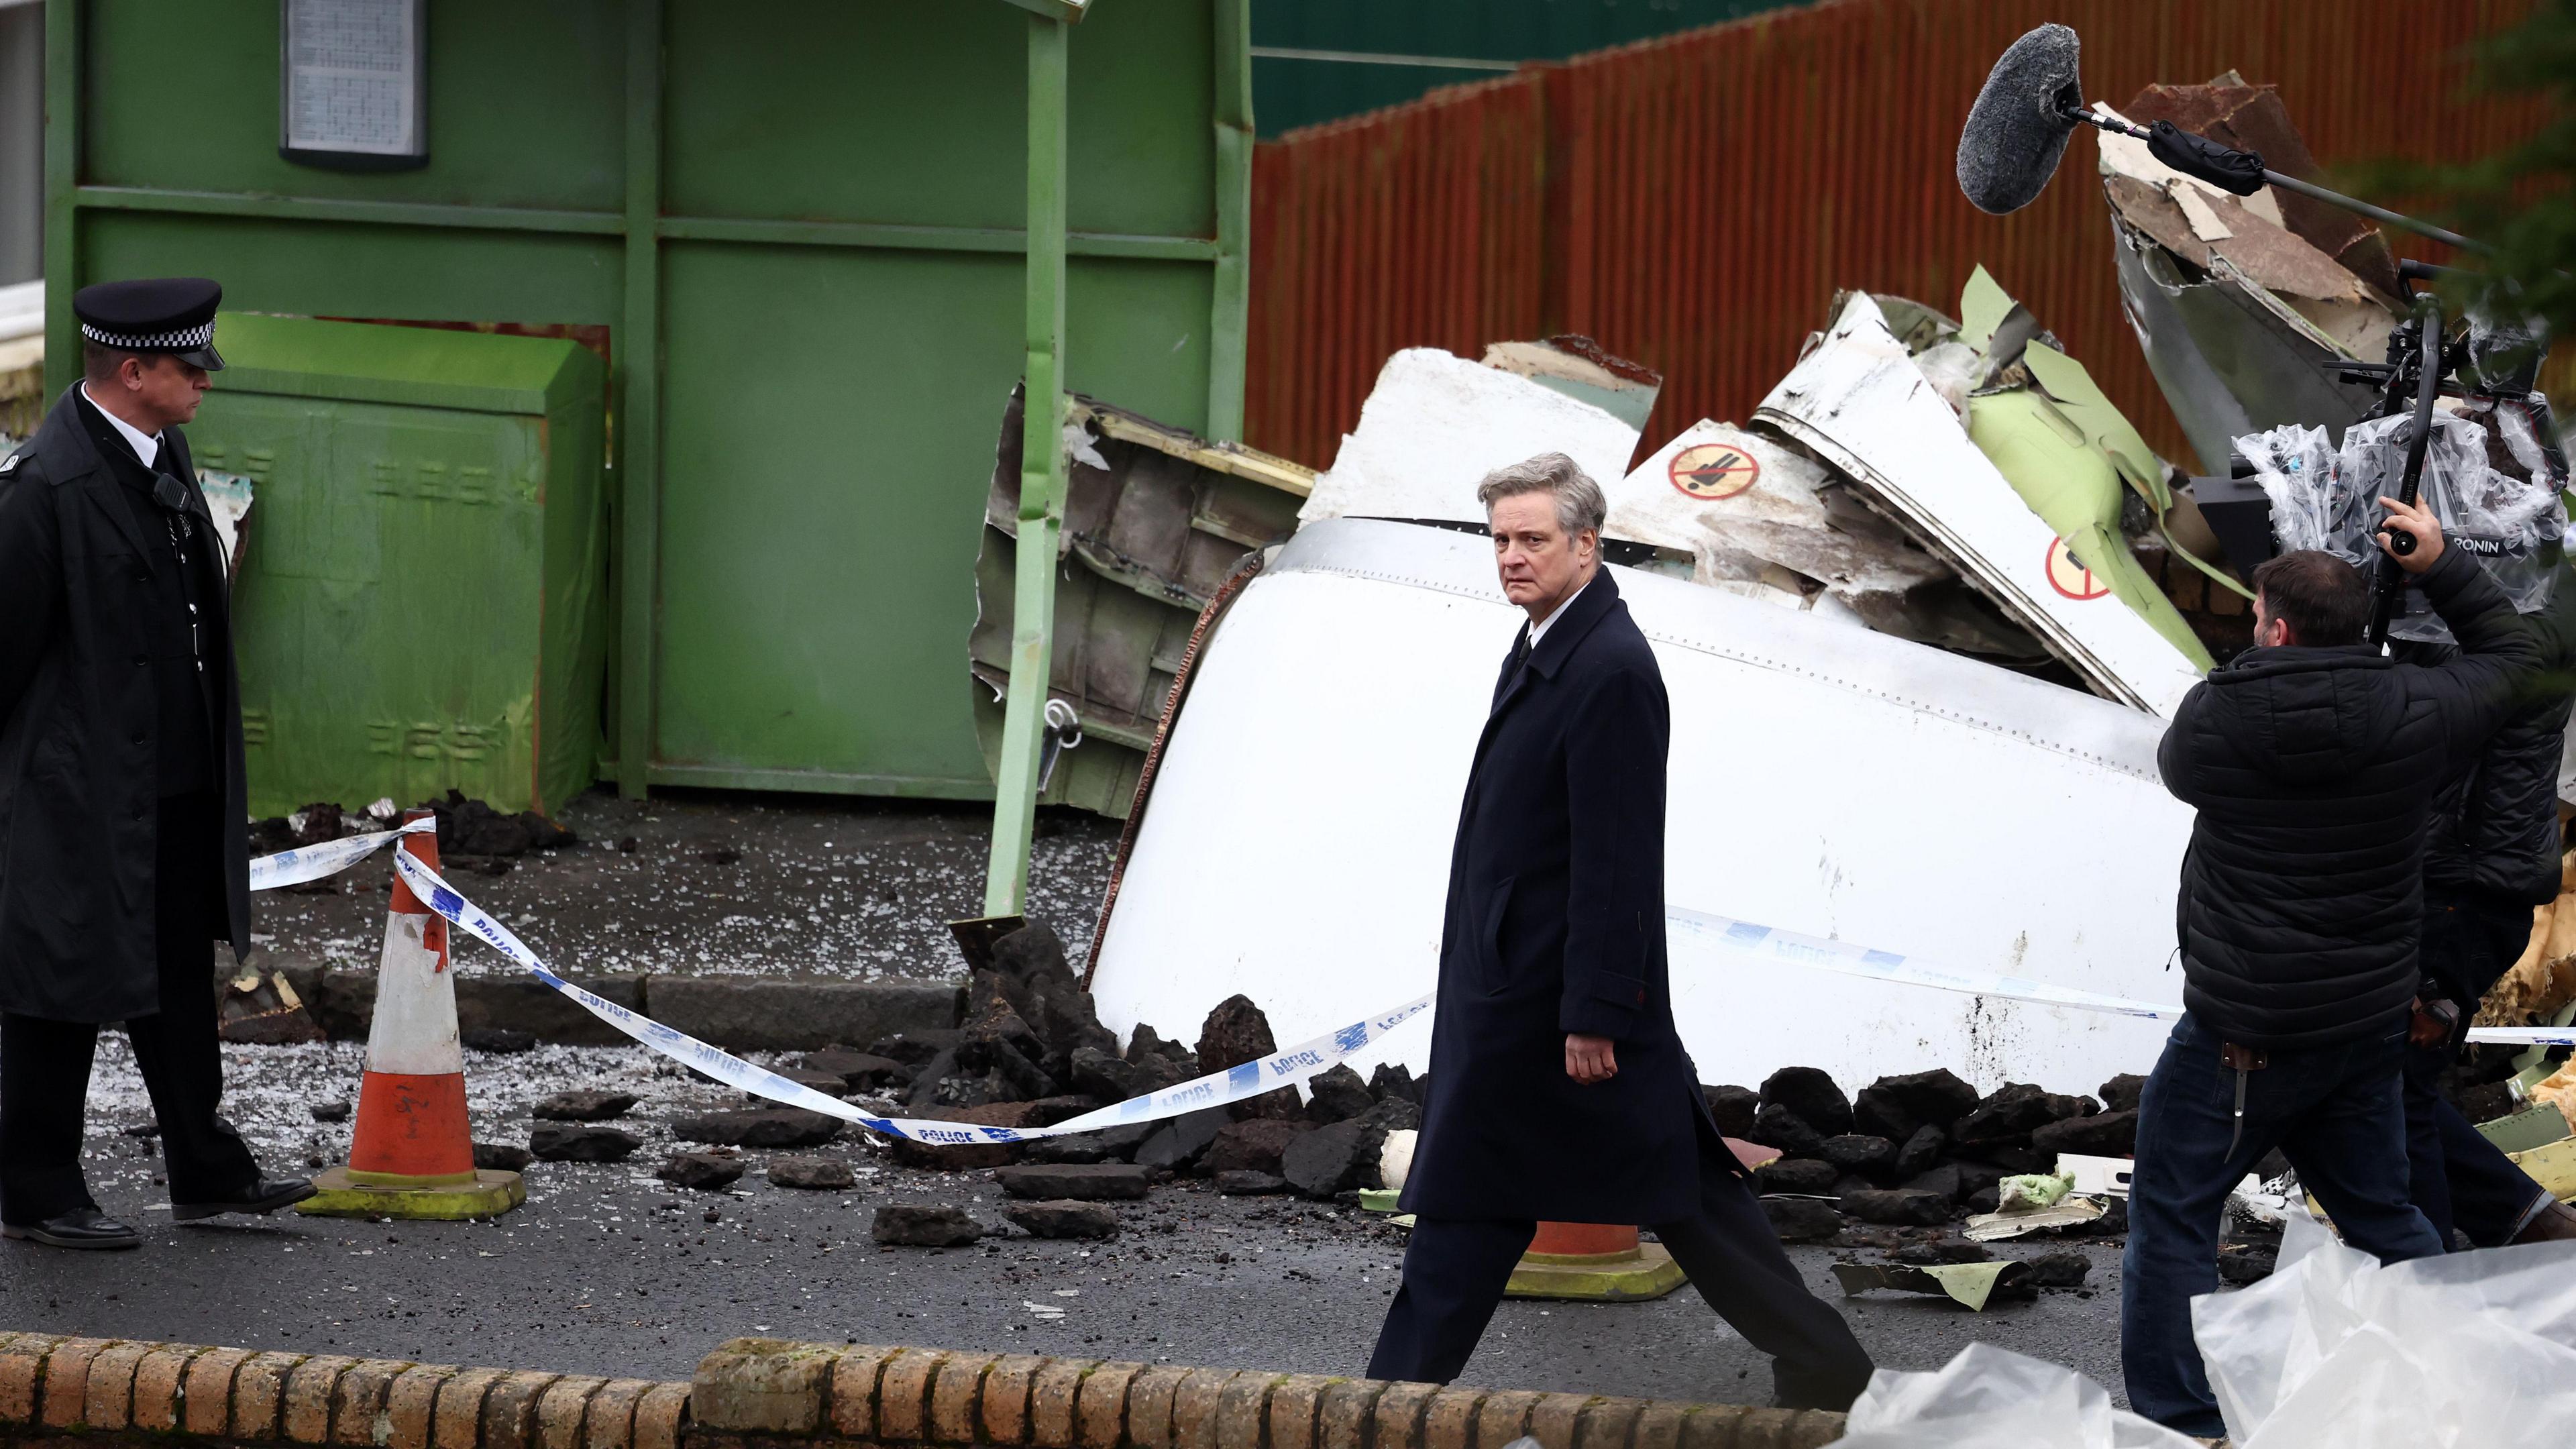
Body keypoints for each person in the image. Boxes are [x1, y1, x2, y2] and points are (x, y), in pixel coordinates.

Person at [1365, 452, 1875, 1409]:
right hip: (1528, 985)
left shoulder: (1608, 670)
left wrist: (1595, 1010)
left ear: (1587, 545)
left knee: (1489, 1204)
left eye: (1533, 540)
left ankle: (1380, 1409)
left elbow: (1619, 858)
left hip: (1554, 1002)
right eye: (1502, 540)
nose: (1511, 558)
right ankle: (1830, 1367)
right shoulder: (1550, 644)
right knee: (1665, 1196)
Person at [2123, 496, 2542, 1436]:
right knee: (2387, 1219)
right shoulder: (2419, 713)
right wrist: (2440, 565)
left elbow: (2185, 762)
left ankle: (2183, 1421)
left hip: (2244, 1035)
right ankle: (2466, 1390)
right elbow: (2518, 661)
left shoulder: (2215, 723)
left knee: (2173, 1219)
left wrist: (2270, 663)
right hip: (2363, 1023)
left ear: (2271, 627)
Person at [0, 277, 312, 1250]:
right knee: (59, 984)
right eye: (189, 368)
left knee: (176, 971)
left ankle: (204, 1171)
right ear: (132, 373)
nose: (204, 384)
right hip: (75, 792)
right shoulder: (43, 491)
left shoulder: (160, 450)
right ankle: (37, 1187)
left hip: (170, 782)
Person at [2401, 551, 2576, 1248]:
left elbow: (2501, 647)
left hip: (2460, 893)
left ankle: (2430, 1275)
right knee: (2389, 1085)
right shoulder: (2523, 625)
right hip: (2467, 889)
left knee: (2395, 1088)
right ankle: (2527, 1220)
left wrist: (2441, 565)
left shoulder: (2519, 643)